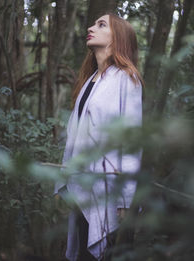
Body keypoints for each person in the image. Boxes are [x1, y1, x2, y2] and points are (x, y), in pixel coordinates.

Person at [54, 13, 143, 261]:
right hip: (82, 187)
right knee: (83, 252)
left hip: (109, 193)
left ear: (117, 39)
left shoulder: (127, 79)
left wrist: (125, 198)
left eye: (101, 25)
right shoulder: (90, 81)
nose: (91, 27)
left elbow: (131, 140)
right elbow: (75, 135)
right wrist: (63, 181)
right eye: (94, 23)